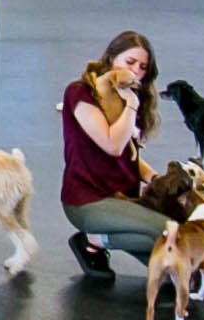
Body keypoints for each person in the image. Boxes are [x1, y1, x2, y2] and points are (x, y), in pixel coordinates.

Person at [61, 28, 167, 279]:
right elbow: (113, 145)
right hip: (88, 199)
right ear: (111, 59)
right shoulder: (80, 93)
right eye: (130, 62)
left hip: (122, 198)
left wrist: (154, 178)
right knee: (167, 233)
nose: (136, 72)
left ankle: (100, 240)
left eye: (142, 67)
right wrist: (131, 103)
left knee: (174, 252)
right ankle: (93, 240)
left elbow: (128, 155)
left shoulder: (130, 98)